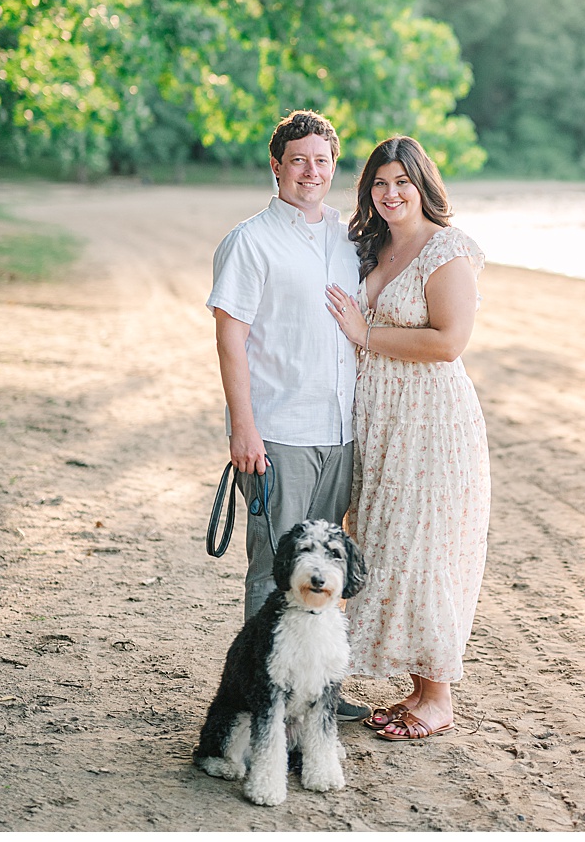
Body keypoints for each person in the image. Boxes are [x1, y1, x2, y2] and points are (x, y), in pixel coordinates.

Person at [206, 108, 372, 723]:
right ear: (276, 166)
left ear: (334, 167)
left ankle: (316, 692)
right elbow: (231, 340)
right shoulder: (250, 241)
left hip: (341, 431)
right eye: (297, 160)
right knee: (275, 570)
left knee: (324, 569)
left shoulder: (345, 237)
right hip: (279, 432)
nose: (310, 171)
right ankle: (258, 704)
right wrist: (243, 429)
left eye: (321, 161)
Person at [324, 136, 491, 741]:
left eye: (402, 181)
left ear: (424, 185)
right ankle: (417, 688)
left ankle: (439, 697)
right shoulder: (373, 250)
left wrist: (364, 334)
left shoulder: (446, 249)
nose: (391, 193)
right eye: (379, 183)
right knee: (388, 545)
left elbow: (448, 343)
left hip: (431, 421)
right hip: (380, 420)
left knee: (425, 549)